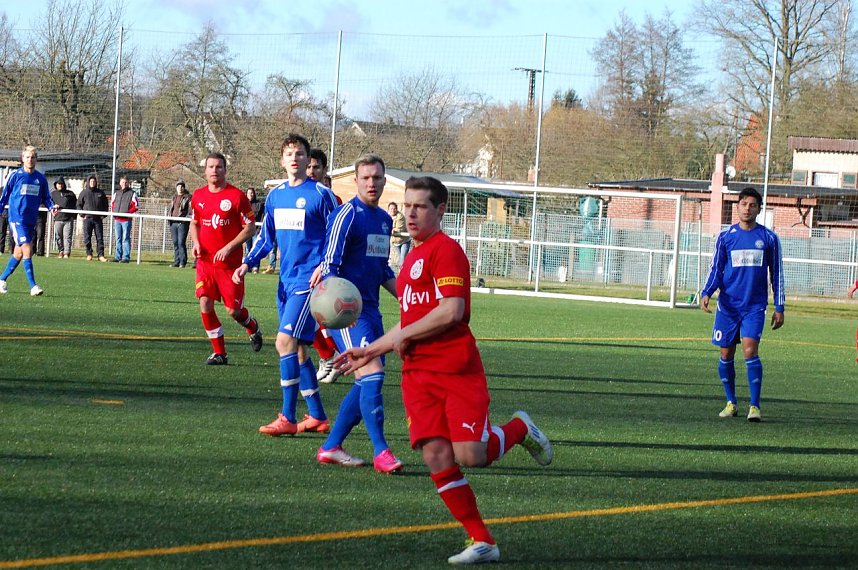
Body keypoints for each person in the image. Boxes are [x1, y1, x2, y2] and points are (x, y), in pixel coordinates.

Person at [336, 176, 553, 565]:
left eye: (420, 206)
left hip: (455, 370)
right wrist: (369, 350)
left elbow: (451, 311)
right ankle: (481, 539)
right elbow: (410, 321)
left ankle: (519, 429)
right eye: (407, 205)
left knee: (472, 455)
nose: (411, 213)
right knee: (436, 456)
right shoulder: (409, 260)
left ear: (440, 211)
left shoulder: (446, 251)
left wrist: (396, 339)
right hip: (417, 375)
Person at [235, 133, 335, 436]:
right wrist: (248, 262)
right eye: (289, 153)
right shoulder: (276, 195)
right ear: (282, 160)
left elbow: (336, 236)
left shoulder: (321, 194)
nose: (295, 158)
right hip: (286, 282)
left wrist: (326, 267)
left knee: (284, 343)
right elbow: (267, 237)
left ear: (308, 160)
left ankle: (288, 417)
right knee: (300, 350)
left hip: (310, 282)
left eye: (300, 153)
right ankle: (317, 415)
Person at [311, 154, 403, 474]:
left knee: (366, 382)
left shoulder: (384, 220)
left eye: (377, 178)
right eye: (366, 178)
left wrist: (408, 297)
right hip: (348, 313)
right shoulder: (346, 215)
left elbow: (381, 268)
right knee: (373, 371)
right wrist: (335, 312)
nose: (372, 183)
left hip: (373, 311)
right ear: (356, 180)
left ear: (384, 180)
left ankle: (331, 446)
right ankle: (382, 452)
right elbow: (330, 266)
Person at [700, 187, 785, 423]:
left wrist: (780, 306)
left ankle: (755, 406)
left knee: (750, 350)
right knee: (726, 353)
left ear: (759, 209)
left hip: (754, 306)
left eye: (752, 205)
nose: (747, 208)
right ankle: (731, 402)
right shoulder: (726, 237)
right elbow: (716, 269)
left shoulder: (768, 238)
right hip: (727, 306)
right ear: (737, 206)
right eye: (743, 204)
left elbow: (776, 274)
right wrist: (707, 292)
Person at [189, 152, 263, 366]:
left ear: (225, 170)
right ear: (205, 170)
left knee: (234, 311)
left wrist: (229, 247)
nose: (214, 170)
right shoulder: (198, 196)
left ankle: (252, 326)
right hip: (205, 263)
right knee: (204, 302)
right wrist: (195, 242)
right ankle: (219, 353)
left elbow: (249, 228)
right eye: (211, 166)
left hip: (230, 266)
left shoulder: (236, 197)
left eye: (219, 167)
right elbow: (195, 223)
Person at [306, 148, 343, 385]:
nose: (311, 171)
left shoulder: (332, 199)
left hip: (323, 266)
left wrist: (325, 263)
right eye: (308, 166)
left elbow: (335, 237)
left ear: (324, 170)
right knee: (311, 319)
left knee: (323, 317)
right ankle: (330, 356)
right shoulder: (295, 194)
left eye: (316, 167)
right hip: (301, 268)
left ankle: (333, 356)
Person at [0, 146, 58, 295]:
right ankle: (33, 286)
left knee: (19, 253)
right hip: (16, 218)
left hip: (30, 220)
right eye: (27, 157)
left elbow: (46, 197)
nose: (30, 160)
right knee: (27, 249)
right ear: (22, 159)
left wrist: (52, 208)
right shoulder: (15, 175)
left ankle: (1, 280)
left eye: (32, 157)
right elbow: (4, 196)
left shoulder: (41, 178)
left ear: (36, 159)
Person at [77, 175, 109, 261]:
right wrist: (82, 215)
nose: (93, 183)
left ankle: (101, 255)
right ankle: (89, 254)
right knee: (87, 237)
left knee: (99, 237)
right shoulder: (84, 193)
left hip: (98, 220)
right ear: (88, 182)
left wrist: (103, 215)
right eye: (91, 181)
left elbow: (106, 205)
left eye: (94, 182)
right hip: (87, 219)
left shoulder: (101, 193)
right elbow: (78, 205)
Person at [111, 175, 138, 263]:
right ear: (120, 183)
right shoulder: (116, 193)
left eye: (126, 182)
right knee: (118, 238)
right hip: (117, 220)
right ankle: (118, 256)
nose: (124, 184)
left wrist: (127, 213)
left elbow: (136, 206)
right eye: (123, 182)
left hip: (126, 220)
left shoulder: (132, 193)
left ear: (128, 183)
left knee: (125, 238)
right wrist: (115, 213)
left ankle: (126, 257)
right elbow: (112, 204)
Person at [50, 176, 77, 259]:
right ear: (56, 184)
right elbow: (49, 203)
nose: (60, 185)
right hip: (57, 219)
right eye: (58, 184)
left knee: (67, 237)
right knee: (58, 236)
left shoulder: (70, 194)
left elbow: (75, 205)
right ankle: (60, 251)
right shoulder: (53, 194)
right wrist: (53, 207)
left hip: (68, 219)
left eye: (61, 183)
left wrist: (73, 216)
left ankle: (66, 253)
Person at [170, 180, 191, 268]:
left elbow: (190, 210)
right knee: (175, 242)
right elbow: (172, 208)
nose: (180, 188)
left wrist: (185, 219)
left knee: (181, 242)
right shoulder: (174, 197)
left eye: (182, 186)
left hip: (182, 223)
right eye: (178, 186)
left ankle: (183, 261)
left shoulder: (187, 197)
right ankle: (176, 261)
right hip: (173, 222)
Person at [244, 187, 264, 273]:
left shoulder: (259, 204)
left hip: (256, 230)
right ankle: (248, 266)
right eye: (249, 193)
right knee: (248, 249)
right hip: (247, 230)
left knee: (256, 249)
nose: (250, 195)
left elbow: (263, 216)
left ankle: (255, 267)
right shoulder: (244, 204)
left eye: (252, 193)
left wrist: (260, 228)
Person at [388, 201, 410, 270]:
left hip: (404, 241)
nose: (393, 210)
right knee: (401, 259)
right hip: (395, 243)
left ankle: (401, 277)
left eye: (394, 208)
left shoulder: (400, 217)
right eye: (391, 209)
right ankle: (406, 272)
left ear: (396, 209)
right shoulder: (387, 217)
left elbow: (399, 229)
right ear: (388, 210)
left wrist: (393, 230)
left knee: (402, 259)